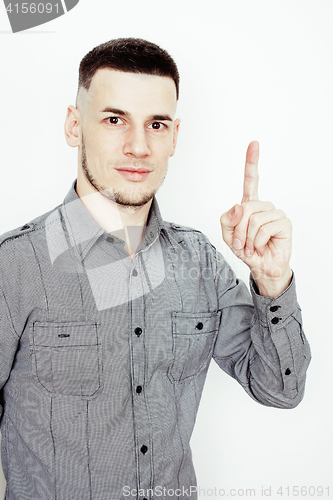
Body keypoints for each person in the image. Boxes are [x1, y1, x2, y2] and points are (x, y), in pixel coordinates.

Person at [0, 38, 310, 500]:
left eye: (157, 124)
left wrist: (271, 280)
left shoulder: (200, 261)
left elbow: (279, 390)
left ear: (175, 136)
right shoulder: (16, 265)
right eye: (114, 119)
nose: (138, 146)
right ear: (73, 126)